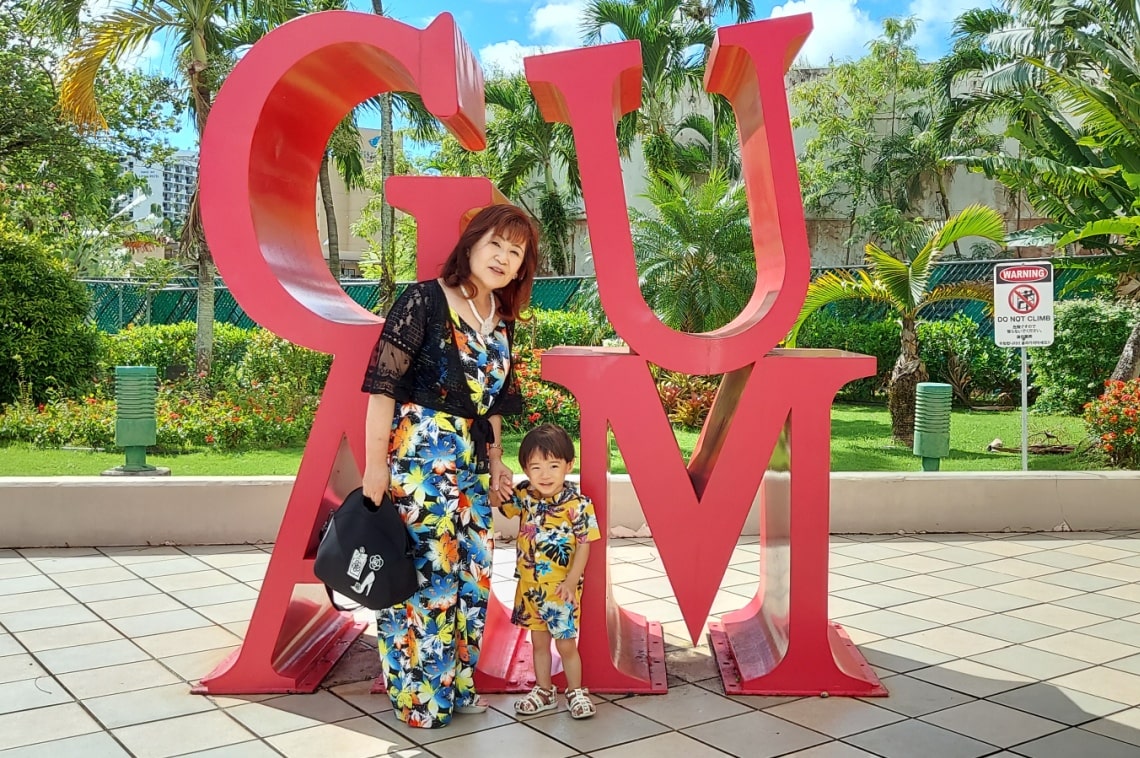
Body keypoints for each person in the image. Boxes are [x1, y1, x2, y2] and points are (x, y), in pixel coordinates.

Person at [360, 204, 539, 729]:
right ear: (471, 244)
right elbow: (383, 389)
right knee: (424, 579)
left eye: (515, 252)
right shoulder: (425, 300)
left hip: (469, 471)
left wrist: (496, 461)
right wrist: (375, 467)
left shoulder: (501, 319)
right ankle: (420, 700)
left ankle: (458, 685)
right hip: (420, 461)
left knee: (470, 577)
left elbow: (494, 405)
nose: (503, 258)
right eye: (495, 244)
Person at [498, 423, 600, 720]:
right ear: (526, 470)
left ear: (569, 465)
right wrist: (498, 480)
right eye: (536, 467)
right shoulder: (524, 495)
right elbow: (499, 503)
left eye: (553, 465)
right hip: (529, 587)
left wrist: (571, 581)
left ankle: (576, 690)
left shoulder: (579, 505)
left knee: (566, 644)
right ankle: (544, 690)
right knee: (538, 642)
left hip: (559, 590)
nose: (545, 474)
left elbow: (584, 545)